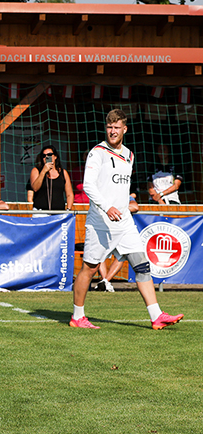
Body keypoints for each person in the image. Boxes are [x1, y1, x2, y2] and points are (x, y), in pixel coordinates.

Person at [70, 109, 183, 330]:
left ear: (124, 129)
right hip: (100, 221)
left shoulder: (130, 155)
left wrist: (127, 201)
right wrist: (107, 206)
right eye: (109, 127)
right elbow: (89, 185)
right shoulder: (98, 153)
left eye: (116, 127)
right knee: (89, 268)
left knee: (142, 265)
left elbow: (120, 185)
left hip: (124, 223)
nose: (112, 131)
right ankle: (77, 316)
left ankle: (156, 315)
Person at [96, 194, 139, 293]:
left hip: (120, 230)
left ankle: (105, 282)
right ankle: (105, 282)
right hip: (104, 228)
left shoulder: (124, 196)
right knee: (100, 256)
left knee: (121, 256)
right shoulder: (103, 196)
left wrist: (115, 209)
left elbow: (135, 207)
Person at [29, 145, 74, 211]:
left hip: (59, 212)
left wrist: (68, 209)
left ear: (55, 156)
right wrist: (43, 171)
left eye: (49, 154)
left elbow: (69, 194)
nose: (46, 157)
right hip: (41, 211)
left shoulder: (63, 172)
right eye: (44, 156)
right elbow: (35, 188)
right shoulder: (36, 171)